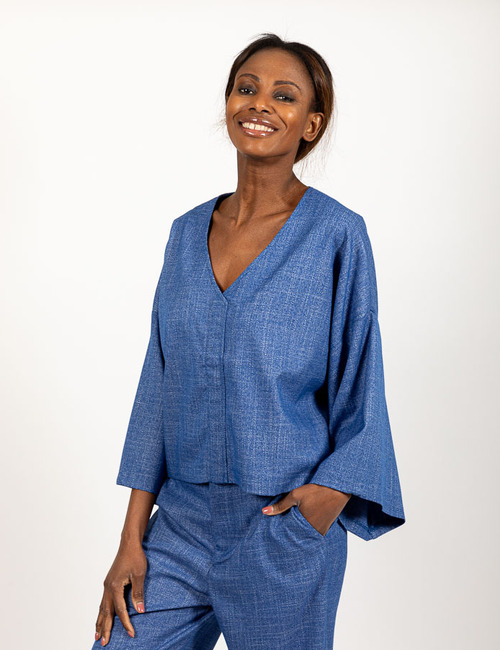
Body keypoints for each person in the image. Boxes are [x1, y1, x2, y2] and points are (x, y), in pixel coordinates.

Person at [92, 32, 406, 650]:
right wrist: (132, 538)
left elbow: (360, 380)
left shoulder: (337, 235)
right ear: (229, 103)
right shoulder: (185, 234)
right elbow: (158, 386)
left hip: (279, 524)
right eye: (247, 88)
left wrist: (324, 500)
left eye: (284, 96)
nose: (260, 103)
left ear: (311, 124)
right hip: (177, 526)